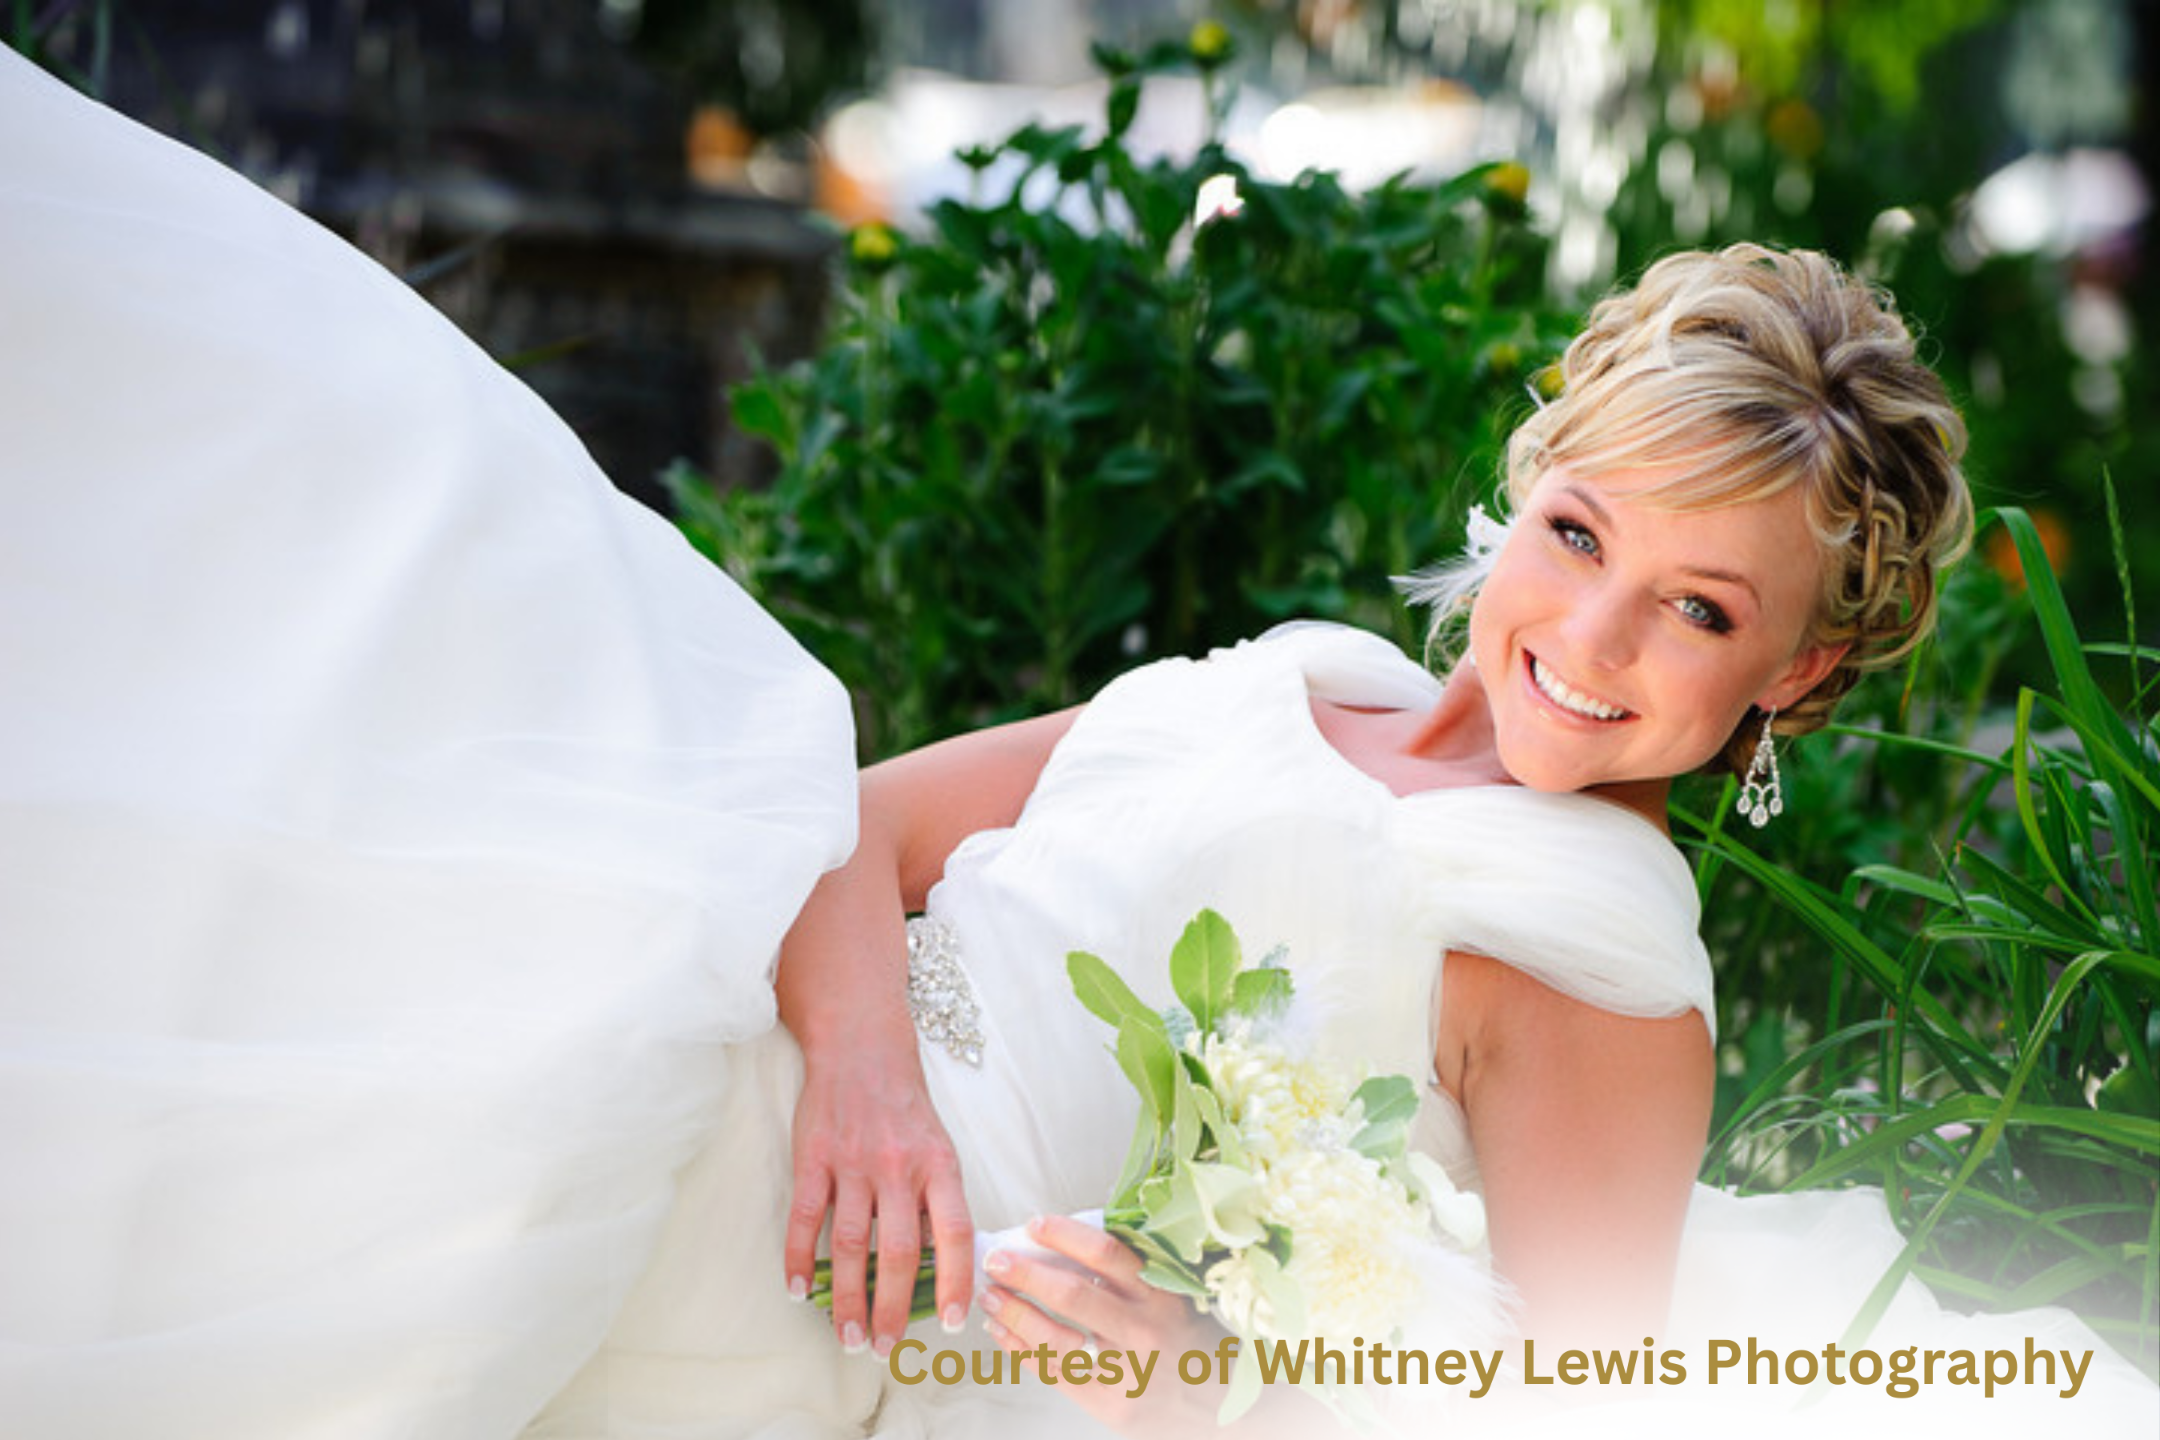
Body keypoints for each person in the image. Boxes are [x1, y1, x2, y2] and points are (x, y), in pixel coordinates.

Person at [1, 42, 2153, 1440]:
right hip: (796, 1048)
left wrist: (1223, 1379)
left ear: (1789, 675)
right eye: (1583, 534)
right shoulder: (1303, 665)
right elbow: (850, 825)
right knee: (412, 613)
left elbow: (1567, 1401)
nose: (1588, 641)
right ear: (1527, 483)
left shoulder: (1603, 950)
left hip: (861, 1299)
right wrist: (858, 1074)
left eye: (1697, 612)